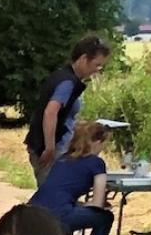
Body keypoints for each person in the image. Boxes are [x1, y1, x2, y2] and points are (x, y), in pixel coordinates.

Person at [29, 119, 114, 235]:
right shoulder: (96, 163)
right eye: (103, 143)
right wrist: (96, 205)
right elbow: (98, 201)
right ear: (96, 142)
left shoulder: (63, 159)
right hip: (59, 215)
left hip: (34, 210)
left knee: (74, 212)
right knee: (105, 218)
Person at [23, 35, 109, 181]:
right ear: (83, 59)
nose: (97, 70)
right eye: (96, 64)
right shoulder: (67, 83)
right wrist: (49, 147)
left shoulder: (63, 76)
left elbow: (64, 115)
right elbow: (50, 112)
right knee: (52, 195)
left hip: (55, 147)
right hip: (52, 150)